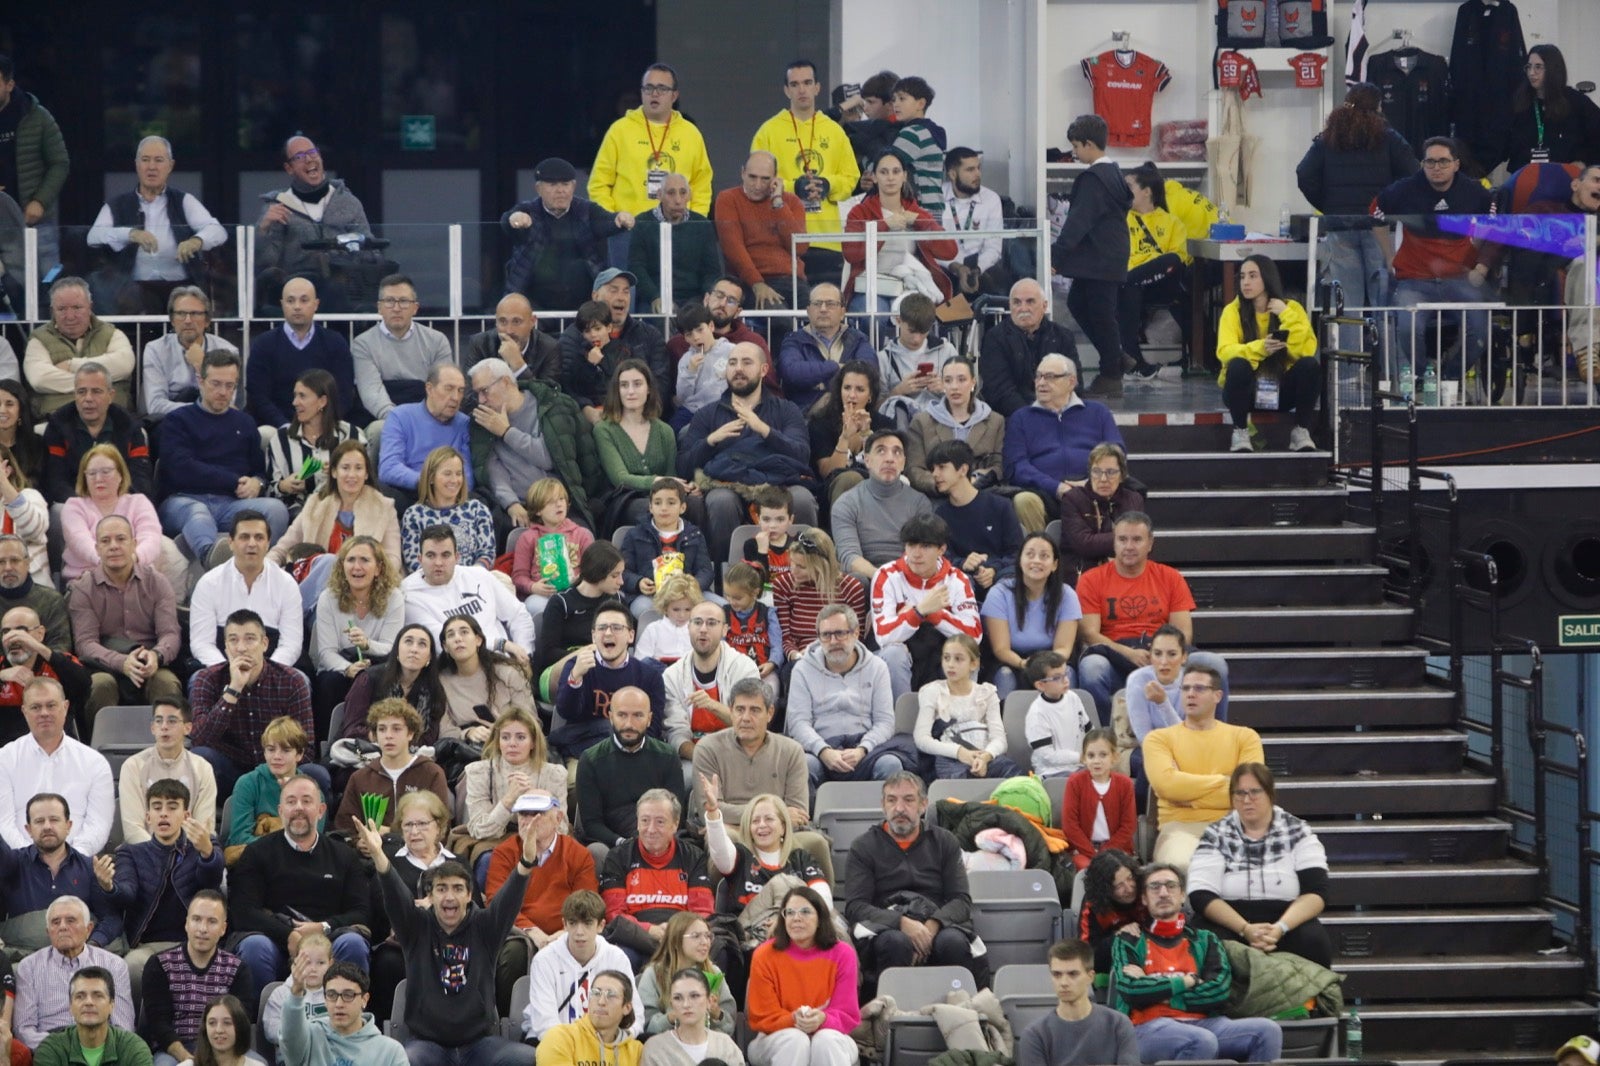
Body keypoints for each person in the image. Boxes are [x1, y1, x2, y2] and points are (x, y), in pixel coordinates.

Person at [352, 809, 539, 1066]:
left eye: (457, 889)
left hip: (480, 1045)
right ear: (431, 895)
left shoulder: (486, 927)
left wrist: (527, 862)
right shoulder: (415, 927)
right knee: (401, 1061)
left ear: (468, 895)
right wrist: (379, 855)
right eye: (442, 889)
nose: (449, 896)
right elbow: (395, 896)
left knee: (532, 1059)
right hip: (427, 1046)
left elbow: (508, 900)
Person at [1108, 864, 1282, 1064]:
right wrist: (1187, 982)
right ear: (1145, 898)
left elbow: (1218, 991)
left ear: (1183, 895)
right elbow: (1131, 990)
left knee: (1267, 1031)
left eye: (1171, 886)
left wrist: (1160, 994)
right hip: (1146, 1028)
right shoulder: (1128, 939)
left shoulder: (1206, 939)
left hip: (1206, 1023)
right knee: (1200, 1041)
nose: (1163, 893)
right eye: (1155, 887)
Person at [1294, 82, 1418, 355]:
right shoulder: (1389, 137)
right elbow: (1414, 175)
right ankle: (1388, 373)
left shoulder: (1329, 138)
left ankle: (1347, 373)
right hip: (1380, 229)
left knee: (1346, 304)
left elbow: (1304, 174)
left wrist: (1328, 206)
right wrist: (1392, 205)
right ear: (1378, 107)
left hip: (1340, 227)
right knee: (1383, 302)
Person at [841, 772, 986, 989]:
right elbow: (856, 906)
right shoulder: (863, 846)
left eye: (908, 800)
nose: (899, 808)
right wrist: (902, 923)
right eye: (892, 800)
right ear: (883, 805)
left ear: (923, 805)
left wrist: (930, 927)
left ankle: (961, 1012)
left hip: (937, 922)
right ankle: (890, 1018)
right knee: (895, 943)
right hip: (885, 925)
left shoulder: (944, 841)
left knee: (952, 943)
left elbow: (961, 900)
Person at [1373, 137, 1496, 387]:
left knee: (1481, 331)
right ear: (1422, 164)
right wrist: (1389, 256)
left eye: (1443, 161)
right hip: (1414, 280)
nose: (1436, 167)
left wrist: (1476, 255)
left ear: (1456, 164)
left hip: (1459, 279)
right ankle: (1420, 377)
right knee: (1407, 328)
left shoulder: (1476, 192)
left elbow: (1492, 225)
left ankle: (1450, 377)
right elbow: (1376, 214)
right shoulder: (1403, 190)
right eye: (1430, 161)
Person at [678, 343, 820, 559]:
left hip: (778, 482)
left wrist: (763, 429)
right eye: (732, 363)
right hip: (727, 484)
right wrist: (711, 440)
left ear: (764, 370)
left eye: (747, 362)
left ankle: (806, 572)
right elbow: (684, 465)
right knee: (720, 501)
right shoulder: (707, 414)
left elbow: (802, 454)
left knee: (802, 498)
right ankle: (726, 578)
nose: (738, 369)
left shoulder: (786, 410)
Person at [230, 776, 371, 990]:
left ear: (321, 810)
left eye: (306, 801)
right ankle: (260, 1020)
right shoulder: (257, 853)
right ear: (280, 810)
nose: (298, 808)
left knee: (353, 943)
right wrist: (289, 935)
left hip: (329, 942)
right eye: (291, 801)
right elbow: (244, 911)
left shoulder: (343, 855)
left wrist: (323, 928)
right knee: (253, 946)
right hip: (275, 941)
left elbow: (361, 912)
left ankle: (347, 1018)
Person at [1187, 762, 1332, 968]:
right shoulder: (1215, 834)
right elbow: (1201, 894)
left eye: (1255, 792)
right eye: (1240, 793)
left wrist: (1280, 928)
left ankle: (1307, 1001)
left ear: (1270, 794)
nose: (1247, 800)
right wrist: (1245, 929)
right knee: (1205, 943)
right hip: (1230, 921)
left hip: (1286, 919)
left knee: (1313, 941)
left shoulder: (1299, 831)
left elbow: (1317, 891)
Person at [157, 352, 290, 564]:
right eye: (216, 384)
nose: (223, 392)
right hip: (184, 499)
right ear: (200, 381)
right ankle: (211, 558)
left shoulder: (245, 423)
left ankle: (263, 567)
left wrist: (257, 483)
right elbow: (181, 468)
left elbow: (258, 470)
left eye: (230, 386)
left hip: (231, 504)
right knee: (198, 513)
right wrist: (232, 481)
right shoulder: (177, 420)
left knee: (276, 510)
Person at [1075, 512, 1203, 722]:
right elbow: (1089, 633)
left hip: (1161, 650)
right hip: (1113, 652)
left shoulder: (1170, 577)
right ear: (1114, 542)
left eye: (1137, 539)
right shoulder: (1091, 579)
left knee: (1212, 664)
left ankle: (1208, 734)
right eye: (1122, 539)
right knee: (1092, 668)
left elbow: (1183, 634)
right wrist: (1128, 653)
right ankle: (1107, 738)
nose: (1129, 546)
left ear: (1150, 543)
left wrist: (1160, 656)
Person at [751, 60, 862, 287]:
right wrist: (794, 187)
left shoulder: (834, 131)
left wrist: (827, 185)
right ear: (786, 90)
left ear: (817, 87)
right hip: (782, 240)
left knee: (825, 309)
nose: (801, 89)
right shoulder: (769, 130)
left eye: (807, 82)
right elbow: (757, 183)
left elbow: (851, 177)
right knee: (790, 312)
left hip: (827, 239)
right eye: (795, 84)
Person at [483, 791, 595, 1014]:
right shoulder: (504, 853)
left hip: (566, 931)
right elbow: (496, 903)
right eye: (523, 814)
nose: (528, 821)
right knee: (513, 953)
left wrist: (565, 932)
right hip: (520, 933)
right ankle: (508, 1020)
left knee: (586, 944)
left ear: (558, 818)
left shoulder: (578, 854)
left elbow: (587, 903)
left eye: (537, 814)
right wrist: (531, 930)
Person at [1144, 665, 1264, 870]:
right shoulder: (1159, 739)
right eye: (1186, 688)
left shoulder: (1245, 737)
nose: (1190, 694)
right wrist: (1224, 782)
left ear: (1217, 695)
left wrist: (1187, 794)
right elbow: (1167, 786)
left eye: (1199, 689)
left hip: (1234, 825)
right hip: (1179, 829)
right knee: (1182, 864)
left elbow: (1250, 793)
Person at [86, 140, 225, 315]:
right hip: (133, 290)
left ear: (170, 165)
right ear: (137, 165)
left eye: (159, 160)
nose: (151, 166)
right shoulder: (117, 204)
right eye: (145, 160)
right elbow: (93, 236)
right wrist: (130, 234)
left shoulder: (183, 200)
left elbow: (218, 231)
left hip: (179, 289)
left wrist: (196, 241)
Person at [189, 610, 316, 800]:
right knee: (201, 757)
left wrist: (276, 775)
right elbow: (199, 739)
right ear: (225, 647)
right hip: (232, 771)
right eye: (233, 640)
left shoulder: (291, 681)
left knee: (317, 775)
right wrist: (233, 689)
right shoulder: (208, 679)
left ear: (264, 643)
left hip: (280, 772)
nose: (241, 648)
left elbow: (307, 747)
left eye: (249, 639)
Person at [68, 515, 182, 721]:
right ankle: (97, 750)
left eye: (121, 539)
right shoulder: (83, 589)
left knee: (167, 683)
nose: (113, 546)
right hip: (103, 666)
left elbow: (170, 634)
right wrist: (122, 663)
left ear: (134, 544)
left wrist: (155, 656)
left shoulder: (157, 582)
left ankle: (167, 750)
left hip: (149, 663)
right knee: (100, 685)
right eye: (105, 541)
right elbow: (85, 644)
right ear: (96, 549)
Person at [468, 357, 601, 535]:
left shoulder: (549, 406)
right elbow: (493, 470)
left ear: (506, 382)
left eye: (484, 391)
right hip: (520, 503)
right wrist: (511, 503)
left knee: (580, 536)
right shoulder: (483, 421)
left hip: (559, 502)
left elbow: (548, 459)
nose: (481, 400)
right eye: (477, 393)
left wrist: (507, 432)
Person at [786, 597, 901, 797]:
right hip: (821, 748)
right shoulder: (802, 669)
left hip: (865, 749)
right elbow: (798, 722)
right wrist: (823, 751)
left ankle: (882, 824)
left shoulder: (877, 667)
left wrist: (863, 749)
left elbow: (885, 722)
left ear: (856, 633)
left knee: (891, 764)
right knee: (804, 765)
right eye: (826, 635)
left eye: (840, 633)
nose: (833, 642)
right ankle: (811, 825)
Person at [272, 443, 401, 617]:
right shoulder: (315, 504)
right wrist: (264, 568)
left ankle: (290, 614)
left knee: (331, 562)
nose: (352, 475)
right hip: (319, 591)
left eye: (358, 468)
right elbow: (284, 546)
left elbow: (392, 559)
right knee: (327, 563)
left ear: (366, 474)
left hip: (362, 587)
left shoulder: (384, 507)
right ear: (333, 472)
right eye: (345, 468)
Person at [1052, 115, 1131, 399]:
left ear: (1088, 144)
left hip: (1099, 258)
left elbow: (1077, 222)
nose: (1074, 152)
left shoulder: (1093, 178)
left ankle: (1111, 372)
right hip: (1108, 255)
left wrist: (1056, 257)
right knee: (1084, 305)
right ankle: (1116, 356)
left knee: (1100, 314)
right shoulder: (1114, 173)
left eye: (1076, 146)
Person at [598, 789, 714, 970]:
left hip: (682, 936)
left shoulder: (693, 856)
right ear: (637, 823)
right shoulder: (618, 857)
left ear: (675, 824)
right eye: (644, 821)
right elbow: (614, 914)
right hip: (636, 938)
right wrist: (649, 930)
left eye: (660, 822)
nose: (651, 829)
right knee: (620, 956)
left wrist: (677, 933)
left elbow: (703, 910)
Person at [254, 136, 373, 310]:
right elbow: (265, 262)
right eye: (300, 156)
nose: (309, 159)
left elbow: (370, 250)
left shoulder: (348, 202)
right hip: (296, 293)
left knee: (340, 293)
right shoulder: (278, 206)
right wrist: (264, 228)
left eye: (312, 152)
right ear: (289, 168)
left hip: (344, 289)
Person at [502, 157, 635, 312]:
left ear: (573, 186)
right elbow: (508, 220)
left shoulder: (586, 210)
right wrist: (514, 219)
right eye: (552, 185)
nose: (560, 190)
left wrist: (620, 219)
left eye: (565, 184)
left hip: (584, 306)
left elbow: (609, 221)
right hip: (534, 304)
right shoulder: (529, 210)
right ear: (538, 189)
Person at [870, 513, 981, 698]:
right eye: (911, 545)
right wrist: (919, 611)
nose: (916, 553)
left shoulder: (958, 579)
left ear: (941, 549)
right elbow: (883, 635)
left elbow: (974, 636)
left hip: (940, 655)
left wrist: (933, 614)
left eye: (926, 546)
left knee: (965, 651)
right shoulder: (886, 575)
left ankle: (958, 720)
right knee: (893, 654)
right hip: (902, 657)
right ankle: (900, 721)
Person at [745, 885, 858, 1066]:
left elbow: (846, 1013)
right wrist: (794, 1019)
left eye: (805, 911)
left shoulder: (843, 954)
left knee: (825, 1040)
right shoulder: (764, 954)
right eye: (789, 912)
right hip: (773, 1038)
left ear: (820, 918)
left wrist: (823, 1019)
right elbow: (763, 1016)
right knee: (795, 1040)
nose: (796, 918)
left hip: (832, 1036)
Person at [1217, 256, 1320, 453]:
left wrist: (1285, 314)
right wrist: (1261, 348)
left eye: (1253, 276)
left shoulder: (1292, 308)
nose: (1245, 282)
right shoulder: (1232, 311)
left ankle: (1301, 432)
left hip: (1280, 391)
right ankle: (1240, 432)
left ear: (1268, 278)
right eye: (1242, 277)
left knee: (1310, 365)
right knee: (1238, 364)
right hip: (1245, 393)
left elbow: (1305, 350)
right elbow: (1224, 352)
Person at [1003, 353, 1124, 518]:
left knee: (1125, 495)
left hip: (1093, 488)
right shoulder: (1021, 418)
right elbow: (1016, 466)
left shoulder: (1097, 412)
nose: (1041, 383)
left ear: (1071, 382)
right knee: (1024, 500)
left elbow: (1117, 454)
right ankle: (1038, 543)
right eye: (1038, 376)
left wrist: (1092, 483)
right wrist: (1056, 487)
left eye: (1050, 377)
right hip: (1043, 493)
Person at [137, 893, 251, 1066]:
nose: (202, 929)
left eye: (212, 921)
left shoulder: (237, 968)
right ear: (186, 923)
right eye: (196, 919)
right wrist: (187, 1059)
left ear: (223, 928)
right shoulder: (160, 964)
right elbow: (158, 1023)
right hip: (174, 1050)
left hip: (225, 1048)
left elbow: (242, 1019)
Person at [0, 680, 113, 854]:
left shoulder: (95, 763)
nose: (44, 713)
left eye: (51, 705)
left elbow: (99, 824)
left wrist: (70, 860)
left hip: (79, 866)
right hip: (19, 866)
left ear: (65, 707)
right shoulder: (5, 759)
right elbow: (3, 824)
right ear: (24, 711)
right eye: (36, 707)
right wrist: (30, 860)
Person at [841, 148, 957, 315]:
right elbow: (851, 254)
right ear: (874, 177)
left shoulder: (916, 212)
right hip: (870, 286)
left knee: (915, 315)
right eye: (883, 172)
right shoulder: (859, 212)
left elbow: (950, 251)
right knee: (874, 316)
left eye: (896, 172)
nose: (890, 178)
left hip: (909, 285)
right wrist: (884, 225)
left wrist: (919, 222)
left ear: (905, 176)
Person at [0, 793, 120, 955]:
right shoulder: (12, 863)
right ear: (28, 829)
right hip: (22, 958)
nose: (47, 826)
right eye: (39, 821)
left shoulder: (90, 868)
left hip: (79, 959)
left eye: (54, 820)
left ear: (69, 825)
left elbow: (111, 919)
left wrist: (92, 946)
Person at [591, 64, 713, 222]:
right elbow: (598, 184)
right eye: (649, 88)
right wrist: (613, 219)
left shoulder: (691, 133)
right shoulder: (620, 130)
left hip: (678, 228)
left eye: (662, 88)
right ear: (642, 93)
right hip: (629, 229)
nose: (654, 94)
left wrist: (695, 222)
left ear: (674, 95)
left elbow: (701, 185)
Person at [402, 525, 534, 666]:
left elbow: (518, 614)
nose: (438, 563)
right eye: (431, 555)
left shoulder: (479, 576)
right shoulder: (409, 594)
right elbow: (444, 640)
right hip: (453, 667)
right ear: (420, 559)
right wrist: (501, 644)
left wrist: (524, 654)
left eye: (445, 555)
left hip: (501, 663)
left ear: (457, 557)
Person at [61, 446, 184, 597]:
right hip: (87, 582)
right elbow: (80, 541)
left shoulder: (138, 502)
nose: (98, 478)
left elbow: (151, 537)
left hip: (136, 577)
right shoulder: (74, 506)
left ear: (120, 475)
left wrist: (130, 563)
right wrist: (110, 566)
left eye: (105, 472)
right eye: (91, 473)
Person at [573, 687, 683, 855]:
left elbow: (675, 815)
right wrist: (623, 843)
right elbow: (591, 824)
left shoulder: (667, 756)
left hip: (659, 839)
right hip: (613, 845)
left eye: (638, 715)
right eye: (622, 715)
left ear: (649, 719)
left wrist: (651, 840)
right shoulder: (591, 760)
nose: (629, 724)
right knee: (596, 851)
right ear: (611, 717)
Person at [552, 602, 669, 759]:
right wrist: (575, 679)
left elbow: (652, 730)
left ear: (631, 635)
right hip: (585, 753)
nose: (608, 633)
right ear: (593, 636)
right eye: (601, 628)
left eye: (616, 627)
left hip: (634, 754)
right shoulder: (576, 666)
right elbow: (567, 713)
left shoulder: (649, 676)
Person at [1126, 625, 1231, 798]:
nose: (1164, 662)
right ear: (1150, 655)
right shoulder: (1137, 681)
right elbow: (1145, 738)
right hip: (1144, 748)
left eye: (1172, 654)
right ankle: (1141, 818)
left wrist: (1162, 703)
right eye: (1157, 654)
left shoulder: (1192, 684)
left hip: (1188, 746)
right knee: (1154, 762)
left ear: (1184, 658)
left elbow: (1189, 735)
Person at [188, 512, 303, 669]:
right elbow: (202, 643)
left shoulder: (287, 584)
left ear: (268, 543)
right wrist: (228, 671)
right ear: (231, 542)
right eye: (244, 537)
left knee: (302, 681)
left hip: (272, 665)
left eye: (259, 537)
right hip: (221, 663)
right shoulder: (209, 583)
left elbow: (291, 643)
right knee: (197, 680)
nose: (252, 544)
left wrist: (266, 672)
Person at [523, 891, 641, 1044]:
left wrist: (615, 1041)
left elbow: (635, 1015)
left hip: (606, 1042)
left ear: (600, 925)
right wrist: (580, 1049)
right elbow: (545, 1024)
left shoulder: (616, 958)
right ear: (564, 924)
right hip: (555, 1042)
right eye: (573, 923)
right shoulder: (544, 960)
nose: (579, 932)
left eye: (587, 923)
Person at [593, 361, 698, 531]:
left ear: (648, 389)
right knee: (652, 510)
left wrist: (685, 488)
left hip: (663, 497)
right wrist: (657, 481)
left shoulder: (665, 431)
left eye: (637, 384)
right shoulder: (604, 429)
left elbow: (671, 475)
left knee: (695, 504)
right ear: (617, 391)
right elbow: (620, 478)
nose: (631, 391)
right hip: (625, 499)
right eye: (624, 385)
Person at [14, 901, 135, 1049]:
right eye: (55, 922)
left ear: (88, 929)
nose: (63, 927)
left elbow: (124, 1027)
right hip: (50, 1049)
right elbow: (23, 1030)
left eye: (71, 920)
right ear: (48, 932)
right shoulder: (29, 967)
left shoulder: (114, 965)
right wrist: (63, 1046)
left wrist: (92, 1045)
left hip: (101, 1047)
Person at [246, 279, 360, 428]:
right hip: (276, 426)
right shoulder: (263, 344)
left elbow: (344, 393)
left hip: (326, 424)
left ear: (316, 304)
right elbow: (258, 396)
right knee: (265, 434)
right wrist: (284, 425)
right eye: (290, 301)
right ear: (282, 305)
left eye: (304, 300)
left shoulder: (335, 342)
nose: (297, 307)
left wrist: (320, 424)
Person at [559, 269, 670, 419]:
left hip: (640, 416)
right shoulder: (573, 338)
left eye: (626, 292)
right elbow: (566, 386)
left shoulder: (650, 336)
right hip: (590, 419)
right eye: (614, 290)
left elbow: (660, 384)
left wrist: (632, 412)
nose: (621, 298)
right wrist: (586, 409)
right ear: (595, 296)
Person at [331, 699, 448, 836]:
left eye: (396, 729)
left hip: (419, 853)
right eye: (382, 729)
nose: (388, 736)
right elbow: (344, 827)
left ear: (410, 733)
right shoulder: (360, 778)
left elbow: (441, 826)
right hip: (368, 856)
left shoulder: (431, 773)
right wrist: (358, 842)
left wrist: (392, 834)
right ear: (374, 736)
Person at [983, 533, 1081, 698]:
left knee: (1067, 673)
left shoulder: (1067, 595)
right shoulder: (999, 593)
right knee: (1005, 676)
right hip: (1012, 660)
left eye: (1044, 556)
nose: (1036, 561)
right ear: (1020, 560)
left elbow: (1064, 648)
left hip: (1052, 660)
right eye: (1030, 554)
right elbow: (1001, 649)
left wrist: (1046, 666)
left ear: (1055, 564)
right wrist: (1024, 664)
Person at [41, 360, 152, 505]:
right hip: (73, 504)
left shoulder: (130, 426)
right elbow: (55, 479)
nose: (88, 399)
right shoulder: (58, 426)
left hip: (120, 503)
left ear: (111, 396)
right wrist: (84, 505)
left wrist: (114, 503)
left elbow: (140, 478)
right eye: (82, 392)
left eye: (96, 391)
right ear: (75, 395)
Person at [713, 155, 811, 317]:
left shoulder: (791, 202)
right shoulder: (727, 199)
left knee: (818, 318)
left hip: (793, 280)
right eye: (752, 177)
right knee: (779, 318)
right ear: (742, 173)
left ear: (775, 179)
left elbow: (799, 248)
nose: (757, 185)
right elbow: (733, 248)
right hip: (751, 280)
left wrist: (778, 203)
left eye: (765, 179)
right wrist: (757, 283)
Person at [1016, 939, 1139, 1066]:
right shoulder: (1035, 1035)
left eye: (1073, 974)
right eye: (1057, 974)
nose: (1063, 982)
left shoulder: (1118, 1025)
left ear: (1090, 977)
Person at [0, 55, 69, 278]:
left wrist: (40, 201)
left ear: (10, 84)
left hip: (35, 219)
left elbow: (60, 163)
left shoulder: (36, 116)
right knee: (13, 287)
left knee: (49, 277)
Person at [1118, 166, 1190, 378]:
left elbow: (1178, 258)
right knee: (1128, 286)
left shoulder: (1171, 222)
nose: (1123, 190)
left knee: (1171, 259)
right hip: (1129, 283)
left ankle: (1131, 360)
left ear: (1147, 191)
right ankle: (1133, 360)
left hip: (1161, 283)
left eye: (1129, 186)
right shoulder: (1121, 218)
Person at [833, 430, 933, 583]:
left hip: (909, 575)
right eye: (881, 451)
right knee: (857, 580)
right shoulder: (847, 503)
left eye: (897, 452)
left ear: (904, 462)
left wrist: (901, 581)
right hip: (868, 576)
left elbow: (923, 553)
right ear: (867, 460)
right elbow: (849, 557)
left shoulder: (920, 503)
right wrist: (885, 578)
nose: (889, 459)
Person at [914, 634, 1019, 780]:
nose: (950, 664)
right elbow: (921, 739)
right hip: (948, 757)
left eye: (958, 659)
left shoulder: (987, 693)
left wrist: (985, 757)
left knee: (1011, 772)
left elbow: (1000, 739)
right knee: (960, 775)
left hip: (983, 755)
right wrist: (959, 752)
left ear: (974, 664)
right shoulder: (932, 691)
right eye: (946, 658)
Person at [663, 603, 760, 762]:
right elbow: (676, 733)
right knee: (687, 778)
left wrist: (712, 706)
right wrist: (704, 758)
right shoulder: (672, 675)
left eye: (711, 623)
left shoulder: (744, 668)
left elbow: (751, 723)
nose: (703, 629)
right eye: (697, 622)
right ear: (688, 627)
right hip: (694, 758)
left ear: (725, 630)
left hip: (739, 754)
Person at [930, 439, 1022, 602]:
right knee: (957, 583)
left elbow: (1016, 552)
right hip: (962, 579)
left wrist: (993, 569)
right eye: (934, 468)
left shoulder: (1000, 506)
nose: (935, 474)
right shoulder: (940, 514)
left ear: (963, 469)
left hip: (1001, 576)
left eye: (942, 467)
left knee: (1010, 583)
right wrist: (963, 563)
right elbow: (942, 556)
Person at [352, 274, 453, 422]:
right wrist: (400, 422)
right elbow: (372, 392)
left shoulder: (437, 341)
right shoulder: (363, 344)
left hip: (429, 415)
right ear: (379, 307)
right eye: (389, 301)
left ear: (415, 308)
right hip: (383, 419)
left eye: (404, 301)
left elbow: (444, 387)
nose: (396, 308)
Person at [116, 700, 218, 847]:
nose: (164, 727)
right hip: (145, 853)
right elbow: (133, 828)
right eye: (158, 721)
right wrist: (159, 854)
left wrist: (181, 857)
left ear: (188, 728)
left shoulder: (202, 768)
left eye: (172, 721)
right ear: (152, 728)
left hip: (189, 853)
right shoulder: (133, 766)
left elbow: (204, 827)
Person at [24, 280, 136, 414]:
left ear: (90, 307)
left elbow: (123, 366)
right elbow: (40, 379)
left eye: (77, 308)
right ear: (52, 311)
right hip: (56, 420)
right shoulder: (38, 339)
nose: (70, 316)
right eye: (62, 309)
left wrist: (71, 365)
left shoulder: (112, 334)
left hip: (112, 419)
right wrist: (98, 385)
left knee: (140, 434)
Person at [264, 370, 365, 516]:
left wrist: (340, 474)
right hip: (297, 512)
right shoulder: (281, 439)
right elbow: (268, 490)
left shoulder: (351, 435)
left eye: (302, 396)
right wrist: (282, 486)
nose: (295, 402)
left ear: (322, 402)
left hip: (342, 507)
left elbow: (366, 480)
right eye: (295, 395)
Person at [535, 542, 626, 699]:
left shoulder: (617, 600)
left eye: (621, 574)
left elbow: (627, 641)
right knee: (591, 663)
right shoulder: (561, 602)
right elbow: (547, 654)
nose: (621, 582)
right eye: (615, 575)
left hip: (604, 664)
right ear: (598, 573)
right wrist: (586, 652)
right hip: (560, 668)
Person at [772, 530, 867, 680]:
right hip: (801, 658)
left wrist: (828, 653)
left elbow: (856, 636)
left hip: (839, 653)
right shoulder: (783, 585)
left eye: (801, 567)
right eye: (792, 563)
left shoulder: (851, 588)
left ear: (821, 566)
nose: (793, 570)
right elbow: (785, 636)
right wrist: (795, 655)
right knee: (795, 670)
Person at [980, 279, 1081, 417]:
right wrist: (1032, 417)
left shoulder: (1063, 337)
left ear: (1044, 306)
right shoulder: (995, 338)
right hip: (1013, 418)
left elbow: (1073, 383)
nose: (1023, 308)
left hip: (1059, 415)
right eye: (1017, 302)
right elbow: (999, 390)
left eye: (1030, 302)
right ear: (1010, 306)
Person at [279, 960, 408, 1066]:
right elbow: (290, 1038)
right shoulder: (309, 1037)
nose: (339, 1004)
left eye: (348, 995)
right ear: (324, 999)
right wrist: (296, 993)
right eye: (332, 995)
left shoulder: (390, 1052)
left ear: (364, 999)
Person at [224, 717, 323, 854]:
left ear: (299, 754)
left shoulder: (312, 791)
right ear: (264, 752)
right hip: (256, 862)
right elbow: (239, 838)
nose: (277, 756)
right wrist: (285, 845)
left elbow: (314, 840)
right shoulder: (247, 784)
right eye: (270, 750)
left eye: (285, 750)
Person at [437, 616, 535, 754]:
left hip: (513, 747)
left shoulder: (508, 673)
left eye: (464, 632)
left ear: (478, 640)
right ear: (445, 647)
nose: (458, 638)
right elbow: (444, 731)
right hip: (468, 751)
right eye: (451, 635)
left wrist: (504, 732)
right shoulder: (441, 680)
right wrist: (467, 733)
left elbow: (531, 720)